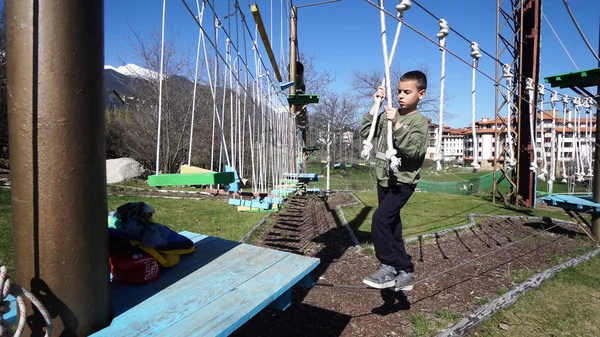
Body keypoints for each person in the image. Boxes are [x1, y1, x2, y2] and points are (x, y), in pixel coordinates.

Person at [359, 70, 429, 291]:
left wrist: (397, 124)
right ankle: (405, 270)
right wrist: (376, 105)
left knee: (380, 219)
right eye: (399, 91)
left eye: (407, 92)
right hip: (384, 180)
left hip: (402, 182)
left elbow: (415, 152)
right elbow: (364, 131)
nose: (400, 95)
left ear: (421, 94)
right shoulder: (387, 114)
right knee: (392, 227)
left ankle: (387, 266)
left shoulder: (419, 121)